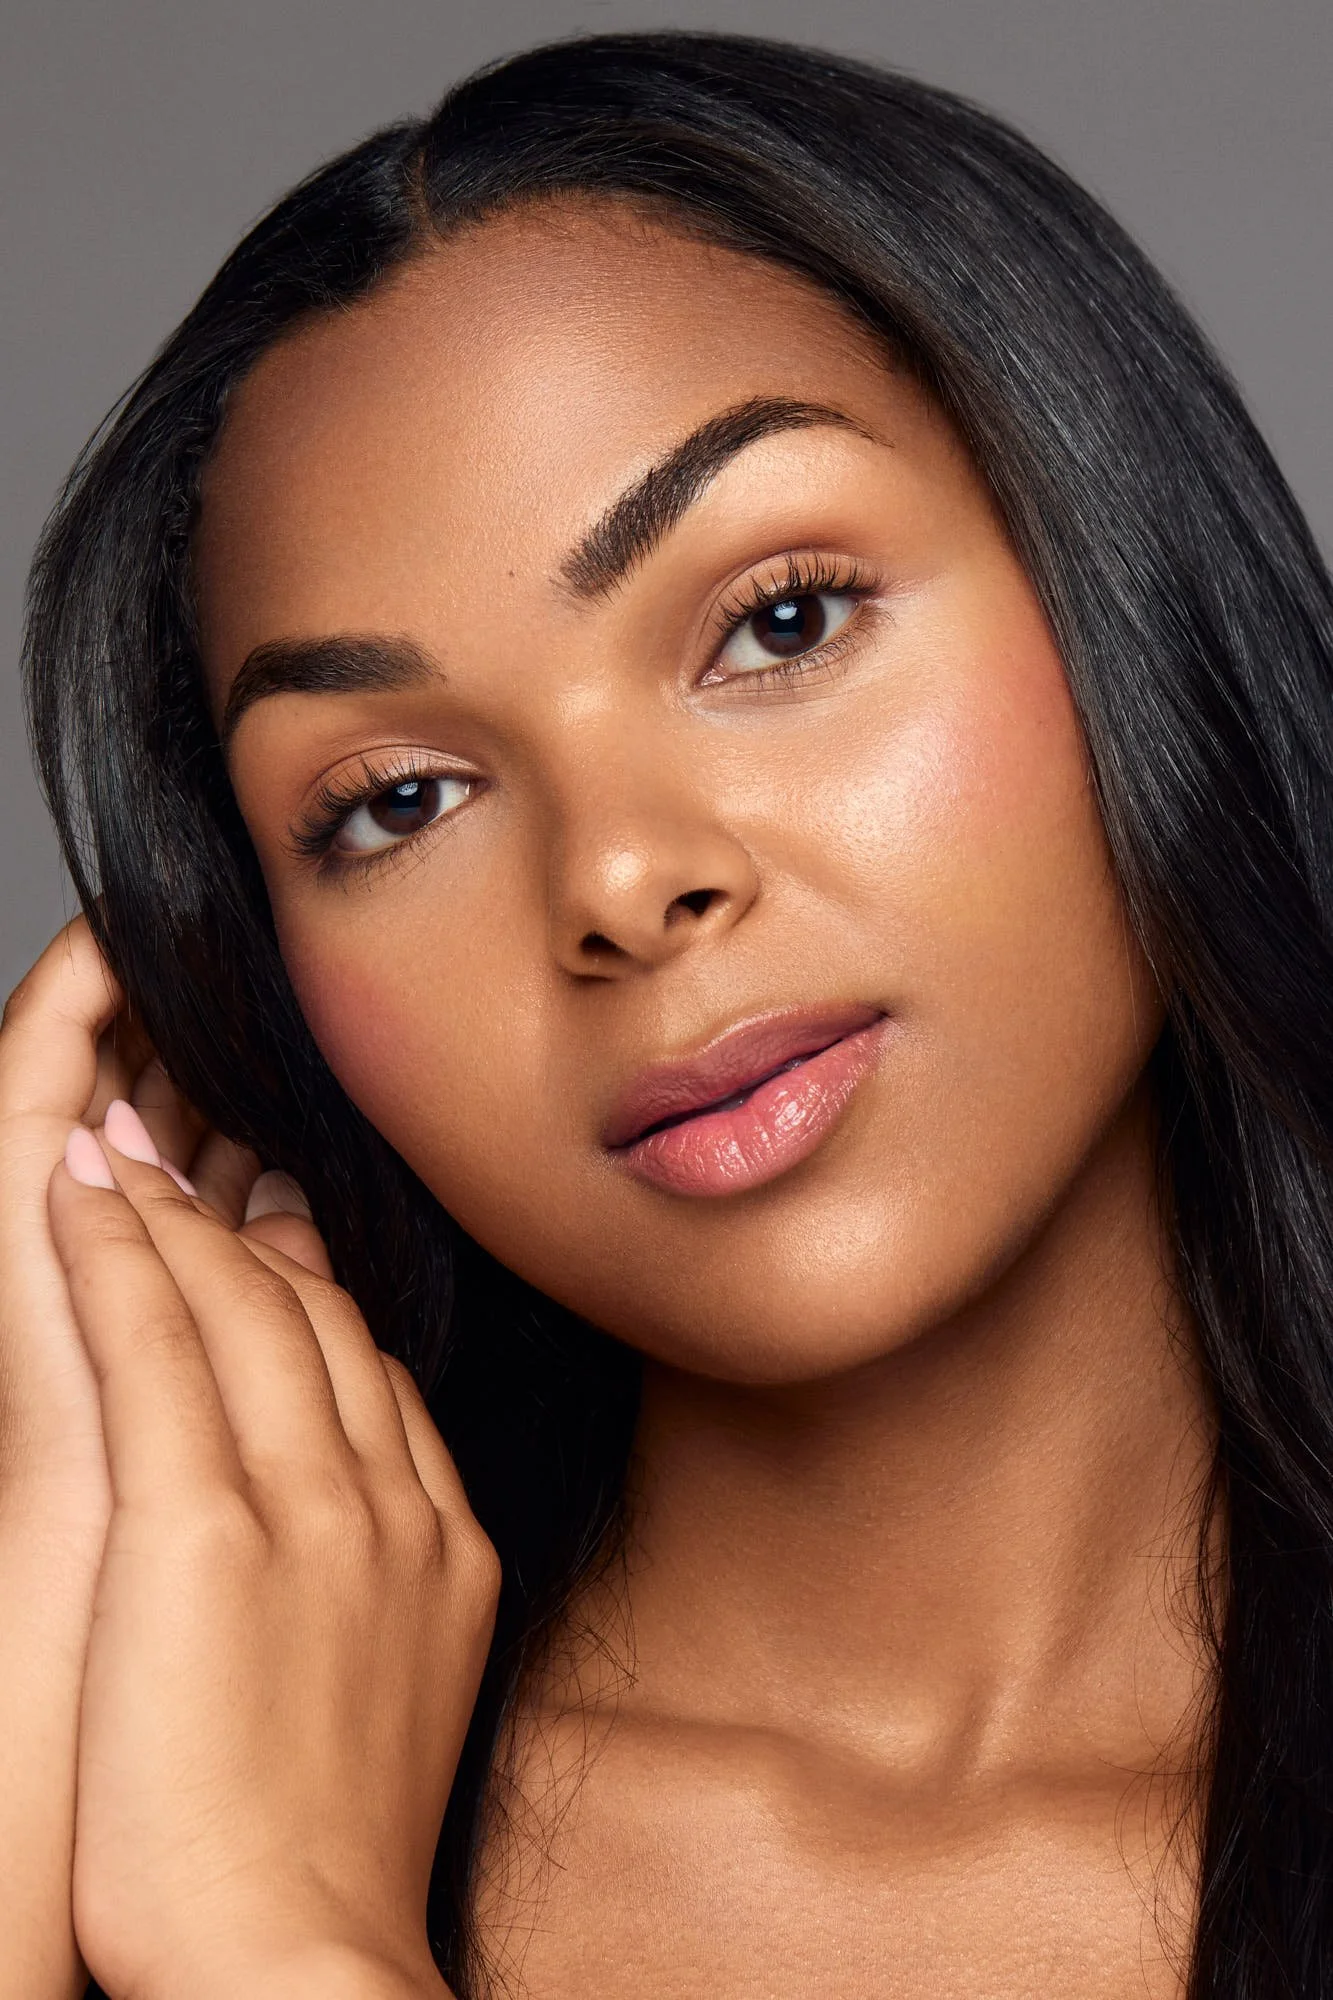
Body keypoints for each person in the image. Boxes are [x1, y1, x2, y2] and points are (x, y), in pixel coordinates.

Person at [6, 28, 1332, 2000]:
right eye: (399, 800)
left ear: (1125, 589)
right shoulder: (75, 1800)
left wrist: (274, 1943)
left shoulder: (224, 1881)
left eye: (781, 621)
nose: (622, 882)